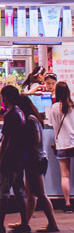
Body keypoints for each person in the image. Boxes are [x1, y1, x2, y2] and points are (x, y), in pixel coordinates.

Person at [0, 84, 29, 233]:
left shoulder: (10, 115)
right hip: (19, 159)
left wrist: (0, 160)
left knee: (3, 193)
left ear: (6, 98)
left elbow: (7, 140)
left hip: (10, 159)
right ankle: (25, 223)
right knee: (19, 191)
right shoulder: (20, 113)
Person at [15, 93, 58, 233]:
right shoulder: (34, 118)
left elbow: (35, 139)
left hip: (35, 160)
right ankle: (25, 222)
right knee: (32, 193)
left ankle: (52, 224)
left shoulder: (30, 120)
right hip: (36, 159)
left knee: (40, 193)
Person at [46, 81, 74, 212]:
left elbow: (50, 124)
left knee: (65, 175)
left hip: (62, 145)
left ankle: (67, 204)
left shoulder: (54, 108)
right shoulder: (72, 106)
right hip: (73, 142)